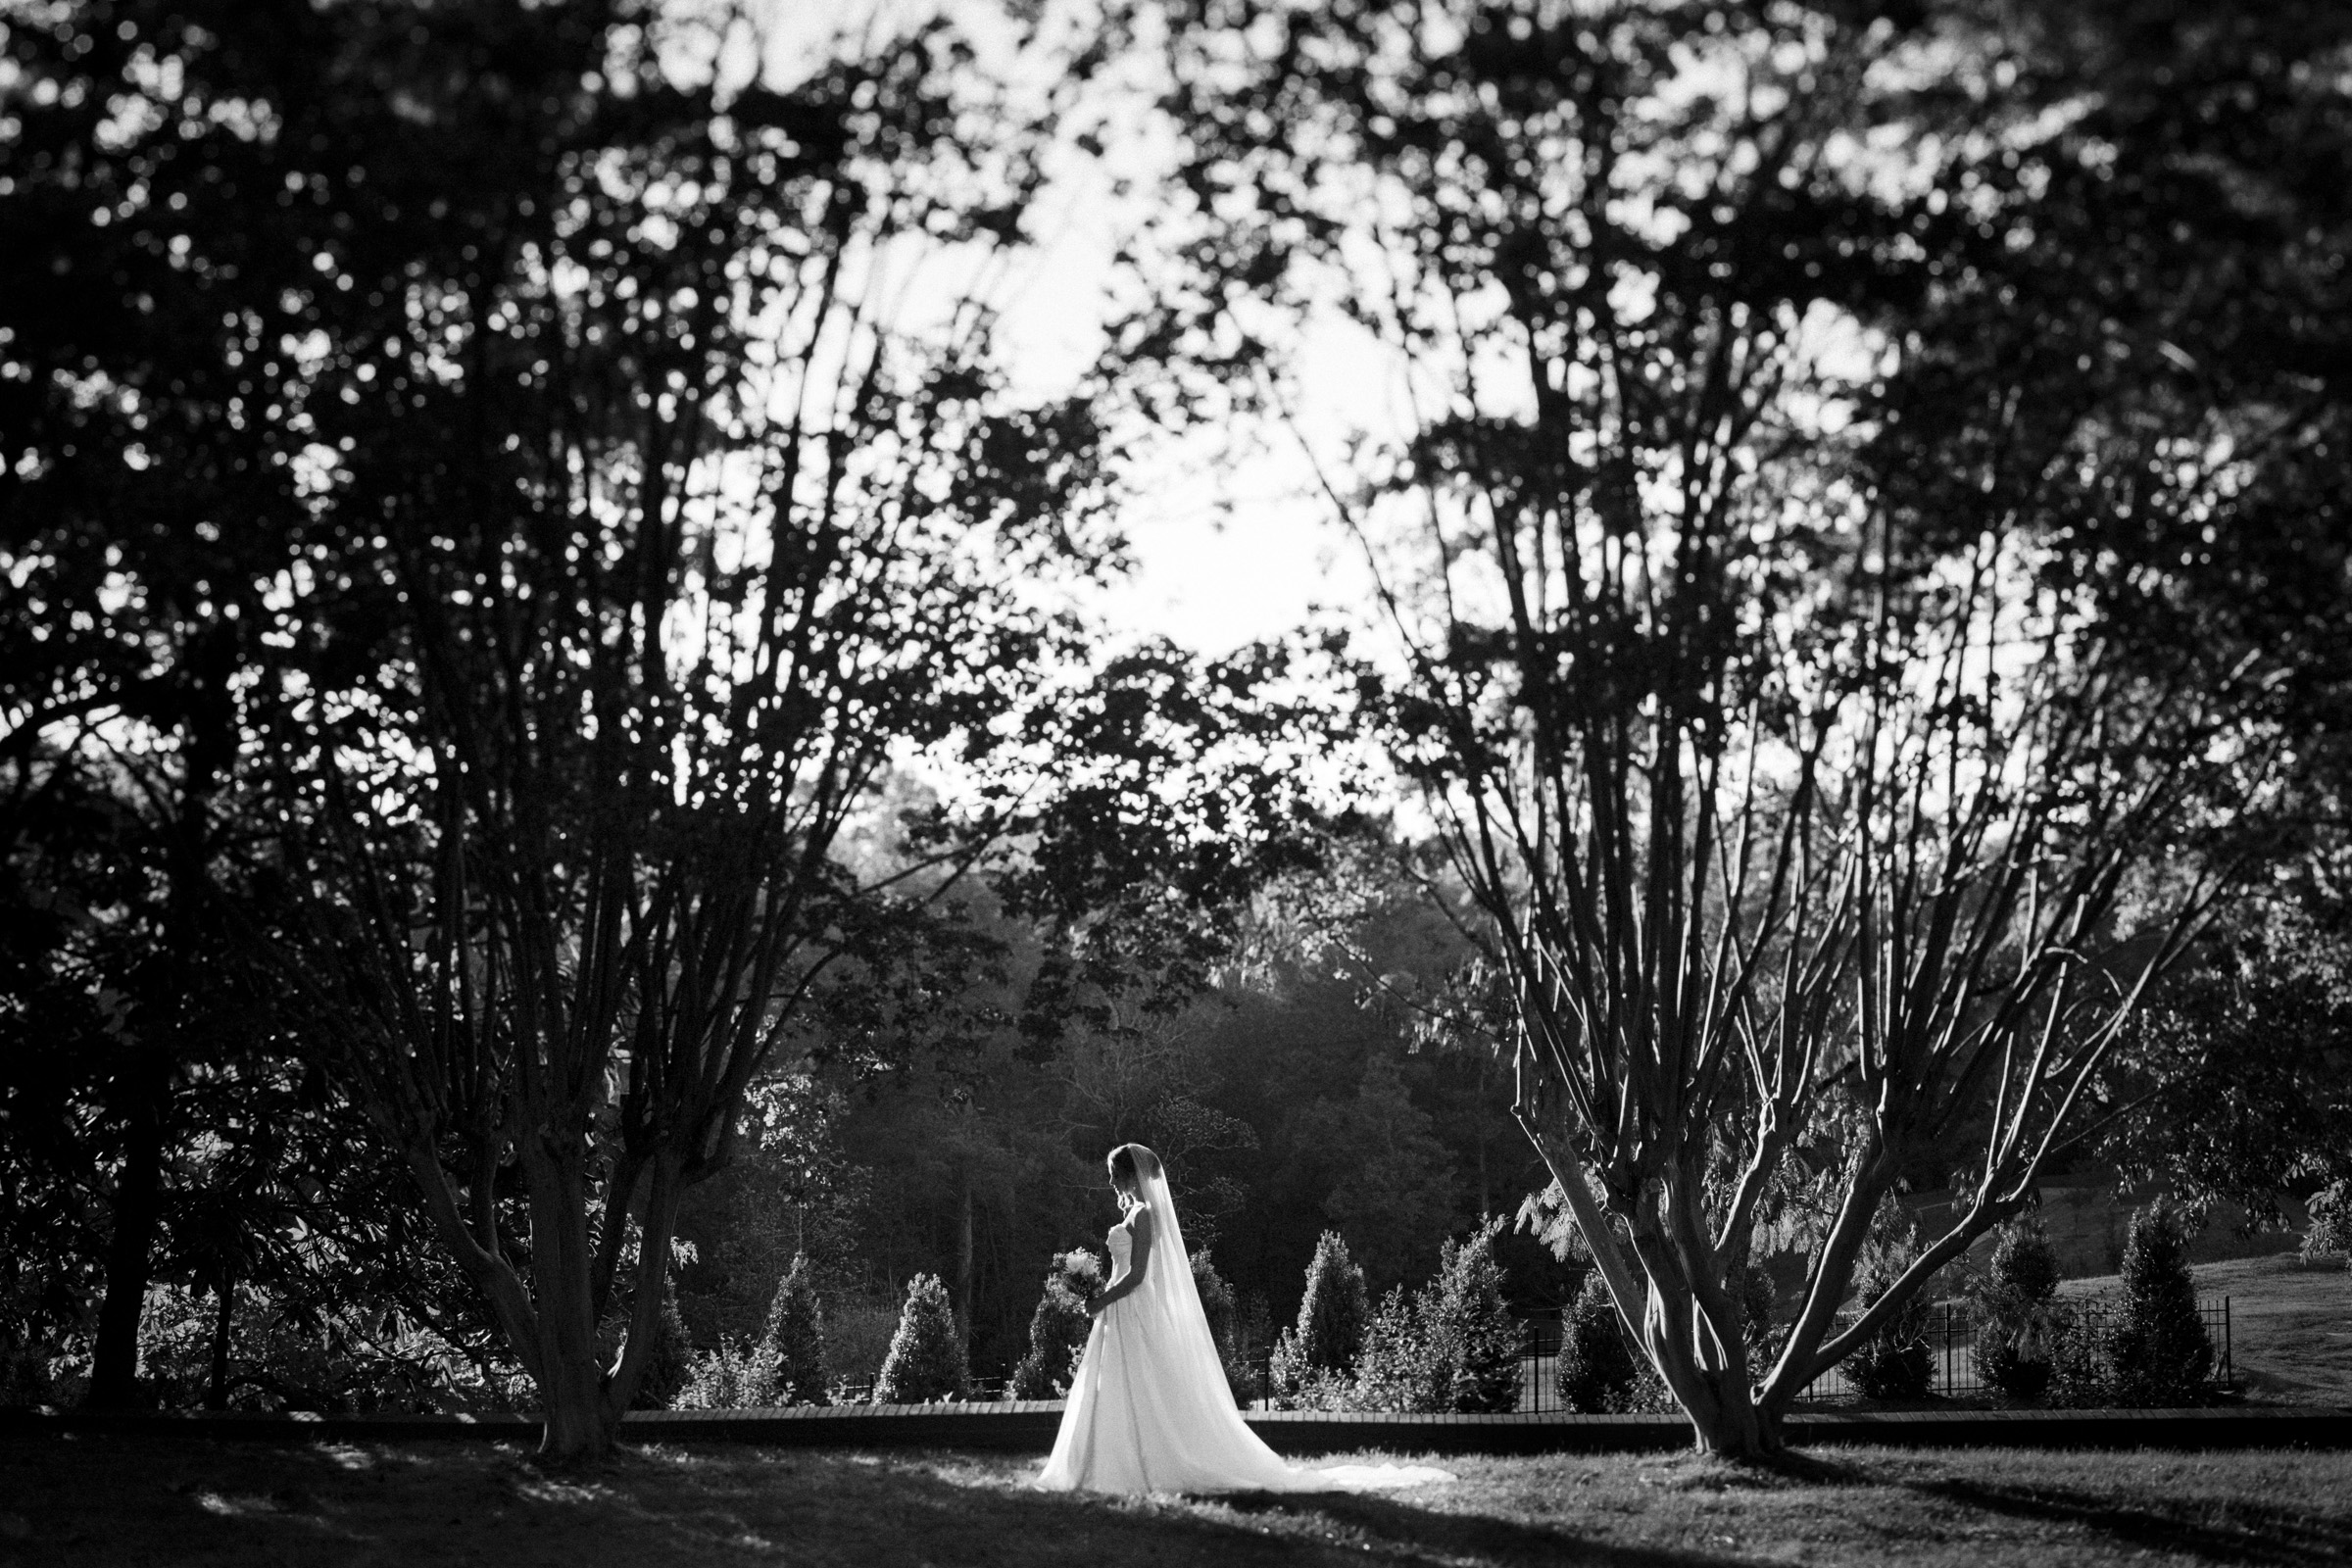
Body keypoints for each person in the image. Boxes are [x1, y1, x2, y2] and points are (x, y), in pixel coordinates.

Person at [1035, 1142, 1452, 1495]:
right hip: (1117, 1308)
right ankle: (1106, 1463)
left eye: (1114, 1175)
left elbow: (1140, 1275)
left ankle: (1140, 1466)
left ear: (1130, 1176)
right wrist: (1097, 1293)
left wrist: (1101, 1297)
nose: (1110, 1183)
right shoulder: (1133, 1214)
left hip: (1131, 1306)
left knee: (1139, 1382)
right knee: (1113, 1384)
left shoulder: (1144, 1215)